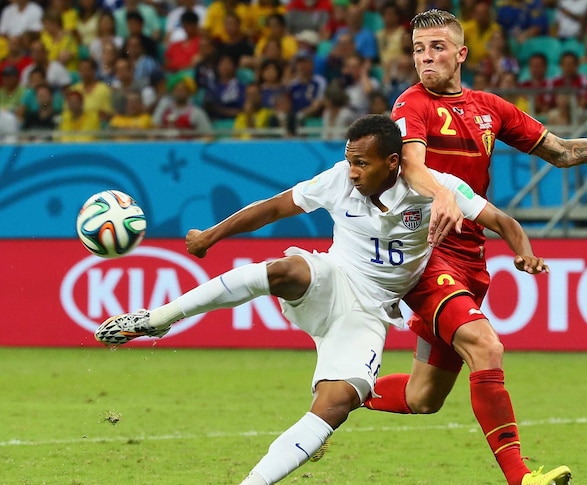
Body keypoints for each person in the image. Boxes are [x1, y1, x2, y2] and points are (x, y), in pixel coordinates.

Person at [93, 114, 549, 485]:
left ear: (393, 162)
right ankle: (158, 319)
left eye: (362, 163)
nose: (352, 171)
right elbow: (273, 207)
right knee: (285, 270)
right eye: (349, 160)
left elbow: (503, 221)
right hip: (333, 278)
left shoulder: (437, 188)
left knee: (335, 405)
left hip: (369, 312)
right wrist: (212, 235)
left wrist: (524, 252)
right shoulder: (338, 181)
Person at [362, 9, 587, 485]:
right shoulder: (410, 104)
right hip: (424, 251)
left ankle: (341, 392)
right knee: (486, 345)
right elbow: (412, 165)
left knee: (423, 398)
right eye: (418, 49)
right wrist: (441, 195)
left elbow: (561, 152)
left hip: (471, 256)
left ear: (461, 54)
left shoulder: (489, 107)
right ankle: (522, 476)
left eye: (436, 47)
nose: (425, 58)